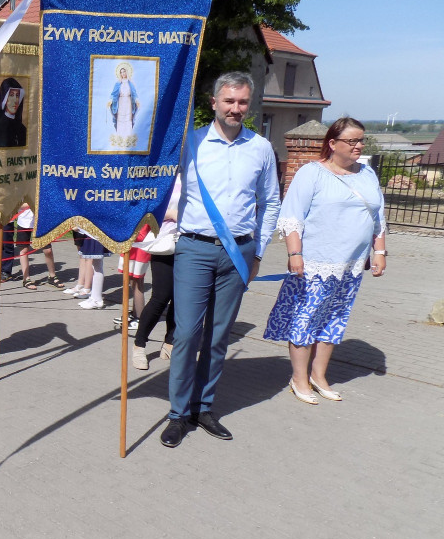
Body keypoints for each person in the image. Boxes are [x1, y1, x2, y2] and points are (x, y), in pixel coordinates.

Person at [161, 71, 280, 449]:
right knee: (186, 335)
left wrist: (259, 251)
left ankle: (203, 407)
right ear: (214, 102)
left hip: (239, 252)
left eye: (243, 102)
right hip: (194, 248)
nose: (236, 108)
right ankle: (178, 414)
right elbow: (155, 182)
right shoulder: (190, 143)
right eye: (229, 101)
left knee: (216, 337)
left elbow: (271, 201)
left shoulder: (260, 147)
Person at [263, 118, 386, 403]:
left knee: (334, 319)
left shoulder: (367, 174)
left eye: (361, 140)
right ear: (333, 144)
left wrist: (379, 251)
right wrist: (295, 254)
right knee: (306, 319)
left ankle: (319, 375)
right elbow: (292, 216)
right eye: (352, 141)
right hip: (316, 263)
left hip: (351, 264)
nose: (359, 146)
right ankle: (299, 377)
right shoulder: (312, 173)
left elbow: (378, 217)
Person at [131, 176, 181, 370]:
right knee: (161, 296)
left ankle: (170, 342)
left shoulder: (198, 176)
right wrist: (173, 214)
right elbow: (146, 207)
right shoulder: (164, 175)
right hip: (165, 241)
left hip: (191, 242)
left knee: (181, 296)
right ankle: (139, 345)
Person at [108, 64, 140, 147]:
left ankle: (128, 139)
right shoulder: (118, 83)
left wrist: (136, 101)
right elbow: (114, 94)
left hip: (128, 102)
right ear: (119, 74)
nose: (123, 73)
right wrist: (110, 101)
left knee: (128, 119)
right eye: (121, 72)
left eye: (124, 71)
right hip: (121, 102)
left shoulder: (130, 83)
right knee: (121, 119)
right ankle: (120, 138)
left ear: (127, 72)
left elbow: (134, 93)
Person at [0, 77, 27, 148]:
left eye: (17, 95)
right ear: (5, 98)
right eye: (11, 95)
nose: (15, 100)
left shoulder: (22, 129)